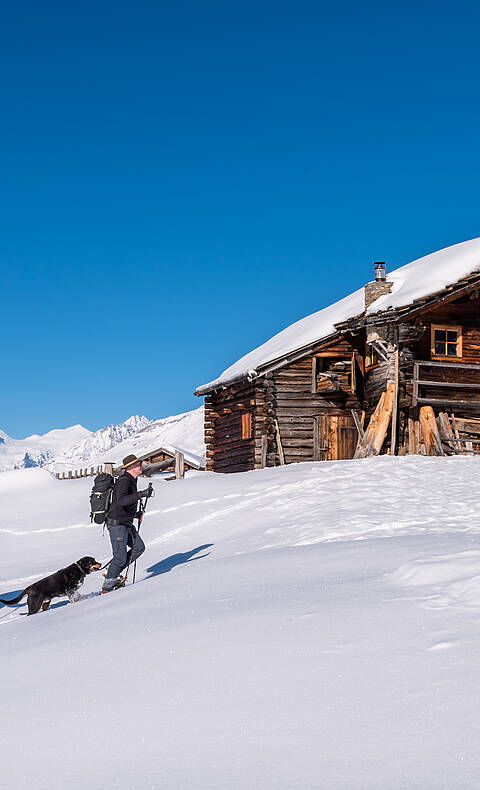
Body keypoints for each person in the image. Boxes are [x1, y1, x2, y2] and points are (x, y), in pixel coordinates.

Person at [102, 454, 153, 593]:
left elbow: (122, 504)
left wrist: (135, 514)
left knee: (139, 548)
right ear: (131, 467)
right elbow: (121, 501)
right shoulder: (124, 481)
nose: (140, 465)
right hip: (117, 524)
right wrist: (141, 494)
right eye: (138, 464)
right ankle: (107, 588)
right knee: (120, 557)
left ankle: (113, 571)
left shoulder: (131, 479)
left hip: (125, 522)